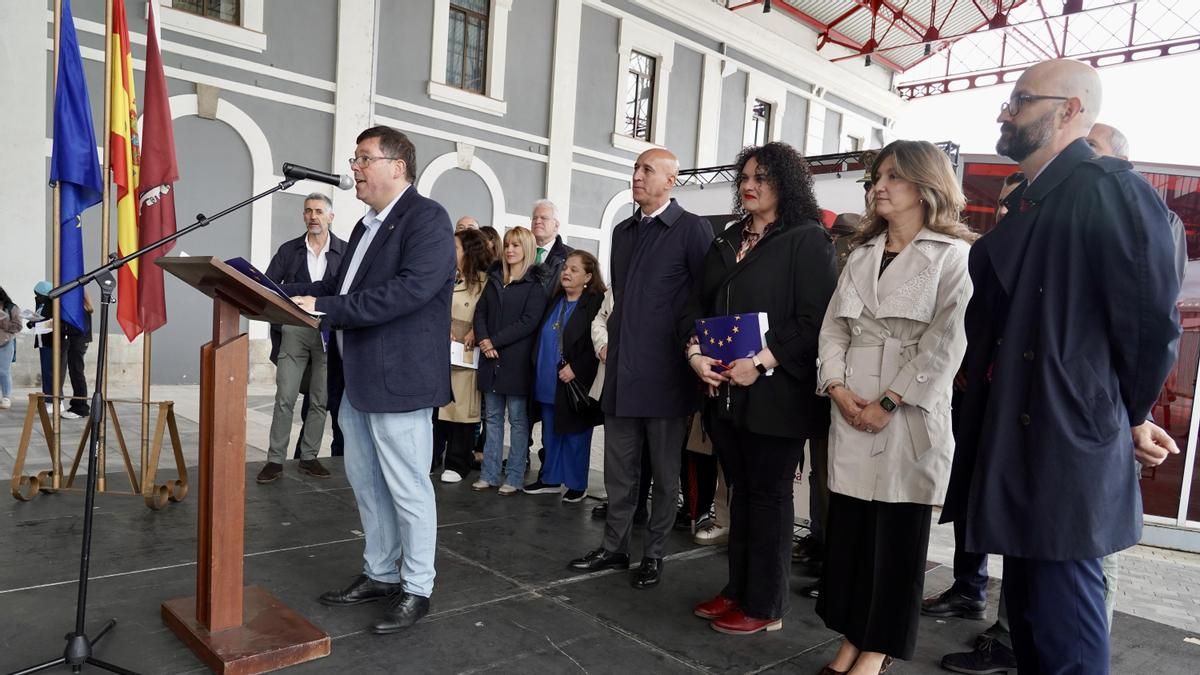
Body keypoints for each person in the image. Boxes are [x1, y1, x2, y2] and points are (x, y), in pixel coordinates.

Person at [943, 59, 1180, 674]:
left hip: (1065, 443)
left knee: (1064, 627)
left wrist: (1126, 413)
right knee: (1030, 622)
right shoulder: (1033, 198)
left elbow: (1151, 324)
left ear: (1070, 109)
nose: (1005, 111)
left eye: (1021, 100)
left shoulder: (1110, 190)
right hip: (1025, 435)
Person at [816, 140, 975, 673]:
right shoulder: (860, 253)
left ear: (926, 186)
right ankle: (851, 637)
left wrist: (889, 400)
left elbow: (947, 340)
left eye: (893, 177)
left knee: (898, 540)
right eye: (877, 177)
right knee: (853, 535)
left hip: (906, 410)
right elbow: (833, 328)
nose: (879, 186)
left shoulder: (953, 256)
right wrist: (837, 388)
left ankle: (877, 648)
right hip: (851, 402)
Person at [290, 125, 455, 634]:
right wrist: (279, 290)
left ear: (396, 167)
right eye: (356, 158)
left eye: (364, 159)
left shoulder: (426, 219)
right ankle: (381, 573)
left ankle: (417, 586)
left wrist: (326, 306)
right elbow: (341, 291)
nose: (355, 168)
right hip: (358, 380)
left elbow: (408, 292)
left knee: (407, 488)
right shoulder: (365, 227)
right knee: (366, 485)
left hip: (400, 380)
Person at [686, 141, 838, 635]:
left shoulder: (806, 238)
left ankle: (765, 605)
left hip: (777, 393)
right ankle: (738, 589)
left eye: (763, 178)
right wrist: (696, 355)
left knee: (769, 498)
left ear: (786, 185)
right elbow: (699, 306)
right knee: (741, 496)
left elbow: (815, 320)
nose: (750, 186)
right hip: (724, 390)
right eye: (746, 177)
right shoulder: (727, 238)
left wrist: (762, 360)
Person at [567, 147, 712, 591]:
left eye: (647, 170)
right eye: (635, 168)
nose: (637, 176)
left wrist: (692, 357)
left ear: (671, 180)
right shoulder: (624, 231)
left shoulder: (692, 230)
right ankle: (614, 548)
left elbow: (702, 301)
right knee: (619, 471)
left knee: (666, 476)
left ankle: (654, 554)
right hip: (622, 375)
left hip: (668, 377)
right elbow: (620, 302)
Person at [257, 193, 346, 483]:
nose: (313, 216)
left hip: (327, 330)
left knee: (321, 398)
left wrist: (303, 291)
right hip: (294, 330)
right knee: (285, 397)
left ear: (331, 217)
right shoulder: (289, 250)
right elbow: (269, 286)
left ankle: (309, 457)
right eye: (308, 211)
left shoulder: (344, 251)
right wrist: (317, 291)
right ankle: (275, 460)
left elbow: (345, 292)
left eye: (319, 211)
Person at [471, 226, 549, 494]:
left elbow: (528, 322)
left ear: (526, 248)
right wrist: (484, 340)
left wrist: (495, 341)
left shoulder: (534, 285)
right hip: (490, 360)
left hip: (516, 362)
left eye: (516, 245)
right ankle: (489, 474)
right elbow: (480, 312)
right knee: (492, 420)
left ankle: (514, 477)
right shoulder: (494, 279)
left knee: (518, 422)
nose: (510, 250)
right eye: (507, 245)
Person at [523, 251, 606, 502]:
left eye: (574, 269)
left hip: (574, 381)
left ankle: (576, 484)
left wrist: (577, 369)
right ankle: (549, 478)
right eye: (565, 268)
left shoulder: (594, 303)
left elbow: (597, 344)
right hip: (547, 379)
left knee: (575, 435)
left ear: (588, 276)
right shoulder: (556, 298)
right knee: (551, 432)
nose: (566, 273)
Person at [434, 228, 490, 483]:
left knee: (462, 411)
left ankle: (458, 463)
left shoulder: (484, 283)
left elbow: (485, 315)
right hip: (442, 350)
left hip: (467, 354)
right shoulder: (449, 277)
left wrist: (474, 331)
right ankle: (433, 458)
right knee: (439, 410)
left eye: (456, 248)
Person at [60, 293, 92, 419]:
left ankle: (81, 408)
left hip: (78, 343)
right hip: (77, 342)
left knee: (77, 374)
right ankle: (77, 405)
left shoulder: (81, 309)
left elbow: (77, 328)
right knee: (76, 373)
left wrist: (60, 327)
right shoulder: (82, 307)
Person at [0, 285, 21, 410]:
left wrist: (3, 322)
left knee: (3, 371)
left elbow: (18, 326)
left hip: (5, 343)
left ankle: (6, 397)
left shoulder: (11, 308)